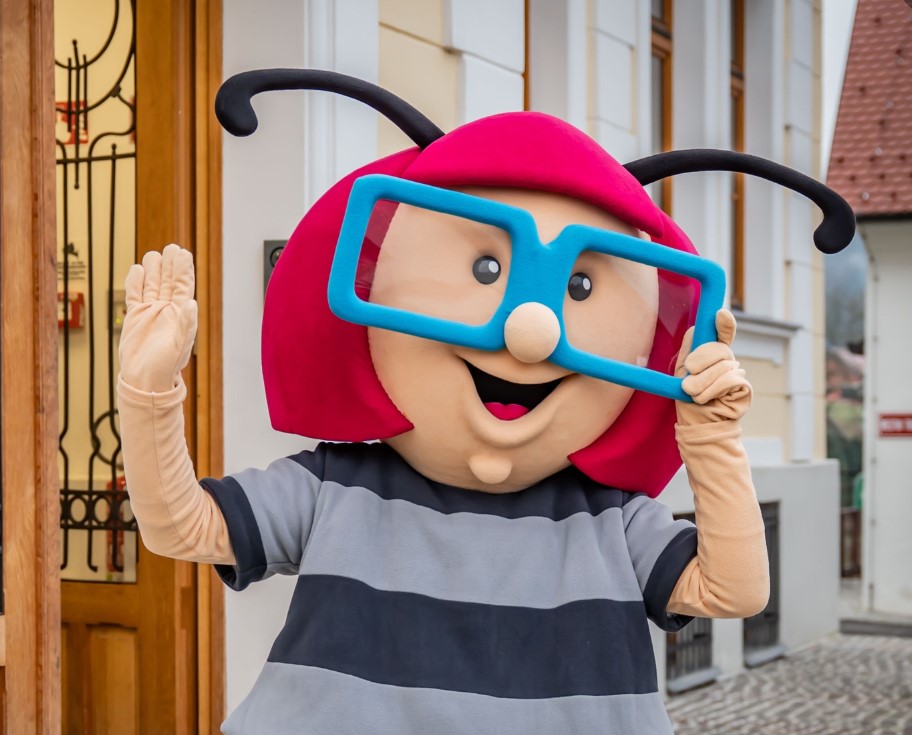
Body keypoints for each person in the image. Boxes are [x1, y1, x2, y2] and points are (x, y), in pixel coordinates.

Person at [117, 70, 853, 734]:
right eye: (486, 269)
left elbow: (733, 589)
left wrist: (712, 441)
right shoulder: (334, 486)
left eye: (580, 286)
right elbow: (183, 526)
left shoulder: (613, 520)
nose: (531, 333)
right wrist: (149, 392)